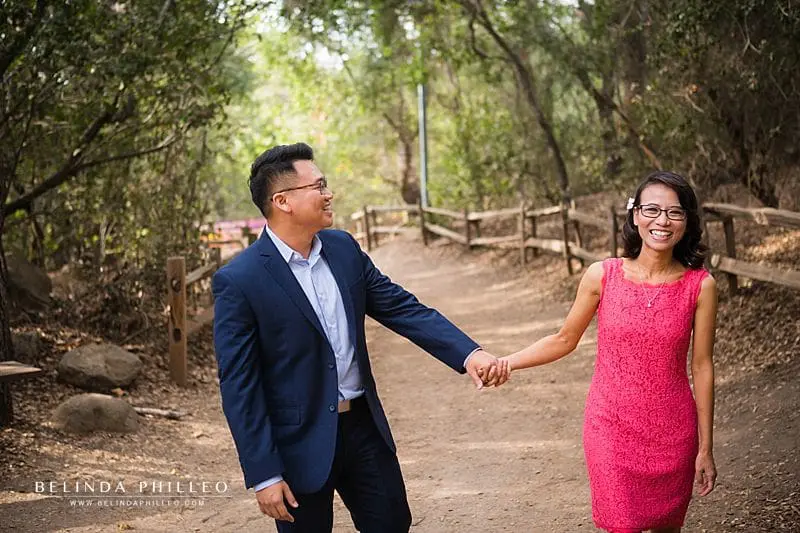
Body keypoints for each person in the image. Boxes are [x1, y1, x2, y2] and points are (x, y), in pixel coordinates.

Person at [212, 142, 508, 533]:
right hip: (297, 443)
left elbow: (402, 307)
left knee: (392, 524)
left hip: (362, 428)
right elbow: (240, 386)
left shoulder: (343, 249)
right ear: (282, 201)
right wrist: (263, 473)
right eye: (318, 186)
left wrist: (468, 354)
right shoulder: (240, 280)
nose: (328, 193)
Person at [501, 171, 717, 533]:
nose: (662, 221)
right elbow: (563, 339)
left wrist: (706, 447)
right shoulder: (602, 276)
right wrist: (506, 362)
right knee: (621, 523)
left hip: (673, 433)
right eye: (652, 209)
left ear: (687, 221)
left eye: (674, 212)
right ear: (634, 216)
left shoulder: (701, 286)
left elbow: (703, 366)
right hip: (610, 428)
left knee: (667, 526)